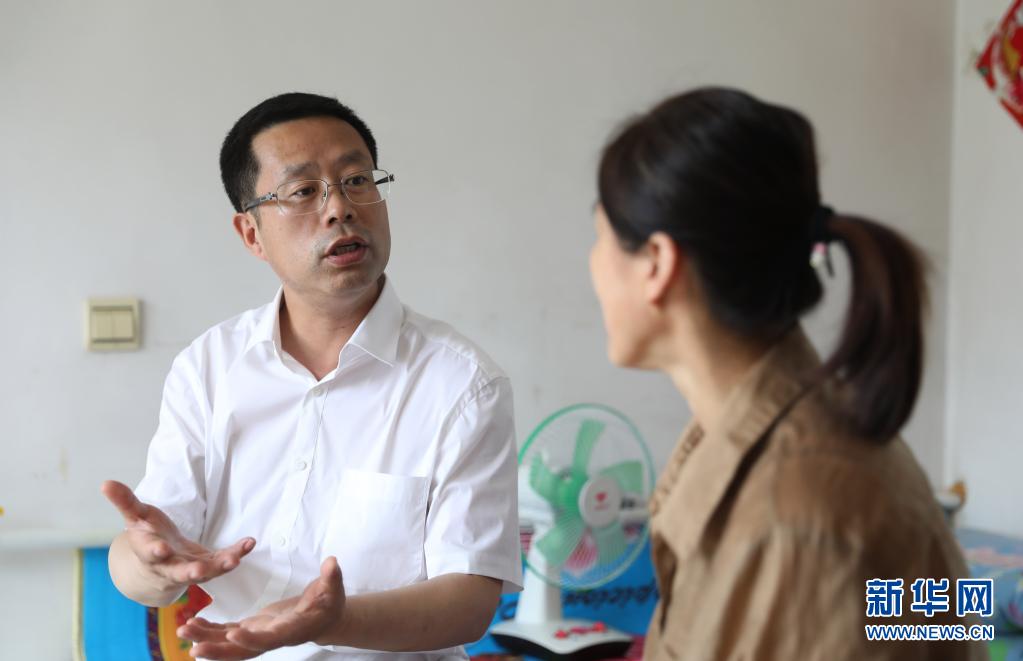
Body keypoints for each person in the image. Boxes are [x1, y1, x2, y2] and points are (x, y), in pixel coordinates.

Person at [101, 92, 521, 660]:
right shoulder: (208, 367)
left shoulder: (463, 384)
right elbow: (151, 556)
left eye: (357, 181)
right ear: (251, 234)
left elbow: (468, 601)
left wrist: (334, 621)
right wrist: (145, 563)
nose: (339, 208)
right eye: (302, 191)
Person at [588, 87, 987, 660]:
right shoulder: (766, 441)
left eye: (600, 238)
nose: (594, 265)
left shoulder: (798, 515)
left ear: (657, 263)